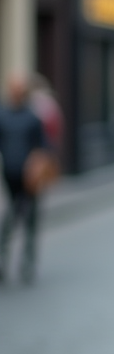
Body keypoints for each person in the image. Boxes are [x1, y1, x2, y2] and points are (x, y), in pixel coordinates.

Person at [0, 74, 48, 284]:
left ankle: (28, 262)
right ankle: (3, 260)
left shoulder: (33, 117)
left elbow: (43, 147)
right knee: (11, 217)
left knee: (30, 219)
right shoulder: (3, 115)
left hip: (30, 177)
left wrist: (36, 166)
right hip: (10, 174)